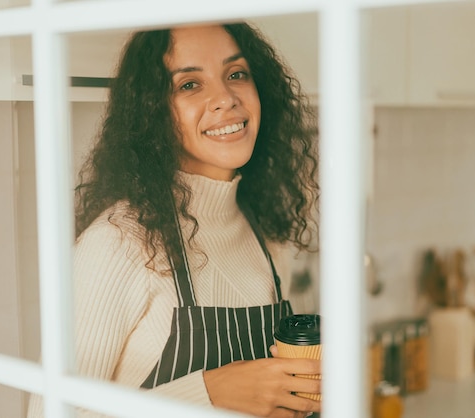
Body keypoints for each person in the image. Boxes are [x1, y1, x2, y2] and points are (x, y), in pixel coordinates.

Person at [28, 21, 320, 418]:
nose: (226, 98)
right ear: (152, 112)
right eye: (189, 85)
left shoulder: (264, 231)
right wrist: (208, 394)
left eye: (236, 74)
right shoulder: (119, 242)